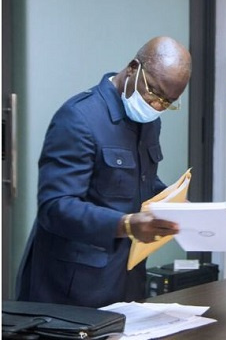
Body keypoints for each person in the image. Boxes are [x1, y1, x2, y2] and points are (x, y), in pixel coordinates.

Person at [16, 36, 192, 308]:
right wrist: (127, 224)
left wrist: (174, 202)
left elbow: (139, 181)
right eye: (154, 93)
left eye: (168, 102)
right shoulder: (79, 118)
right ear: (133, 68)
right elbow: (56, 207)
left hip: (124, 279)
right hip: (71, 287)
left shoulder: (148, 121)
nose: (157, 106)